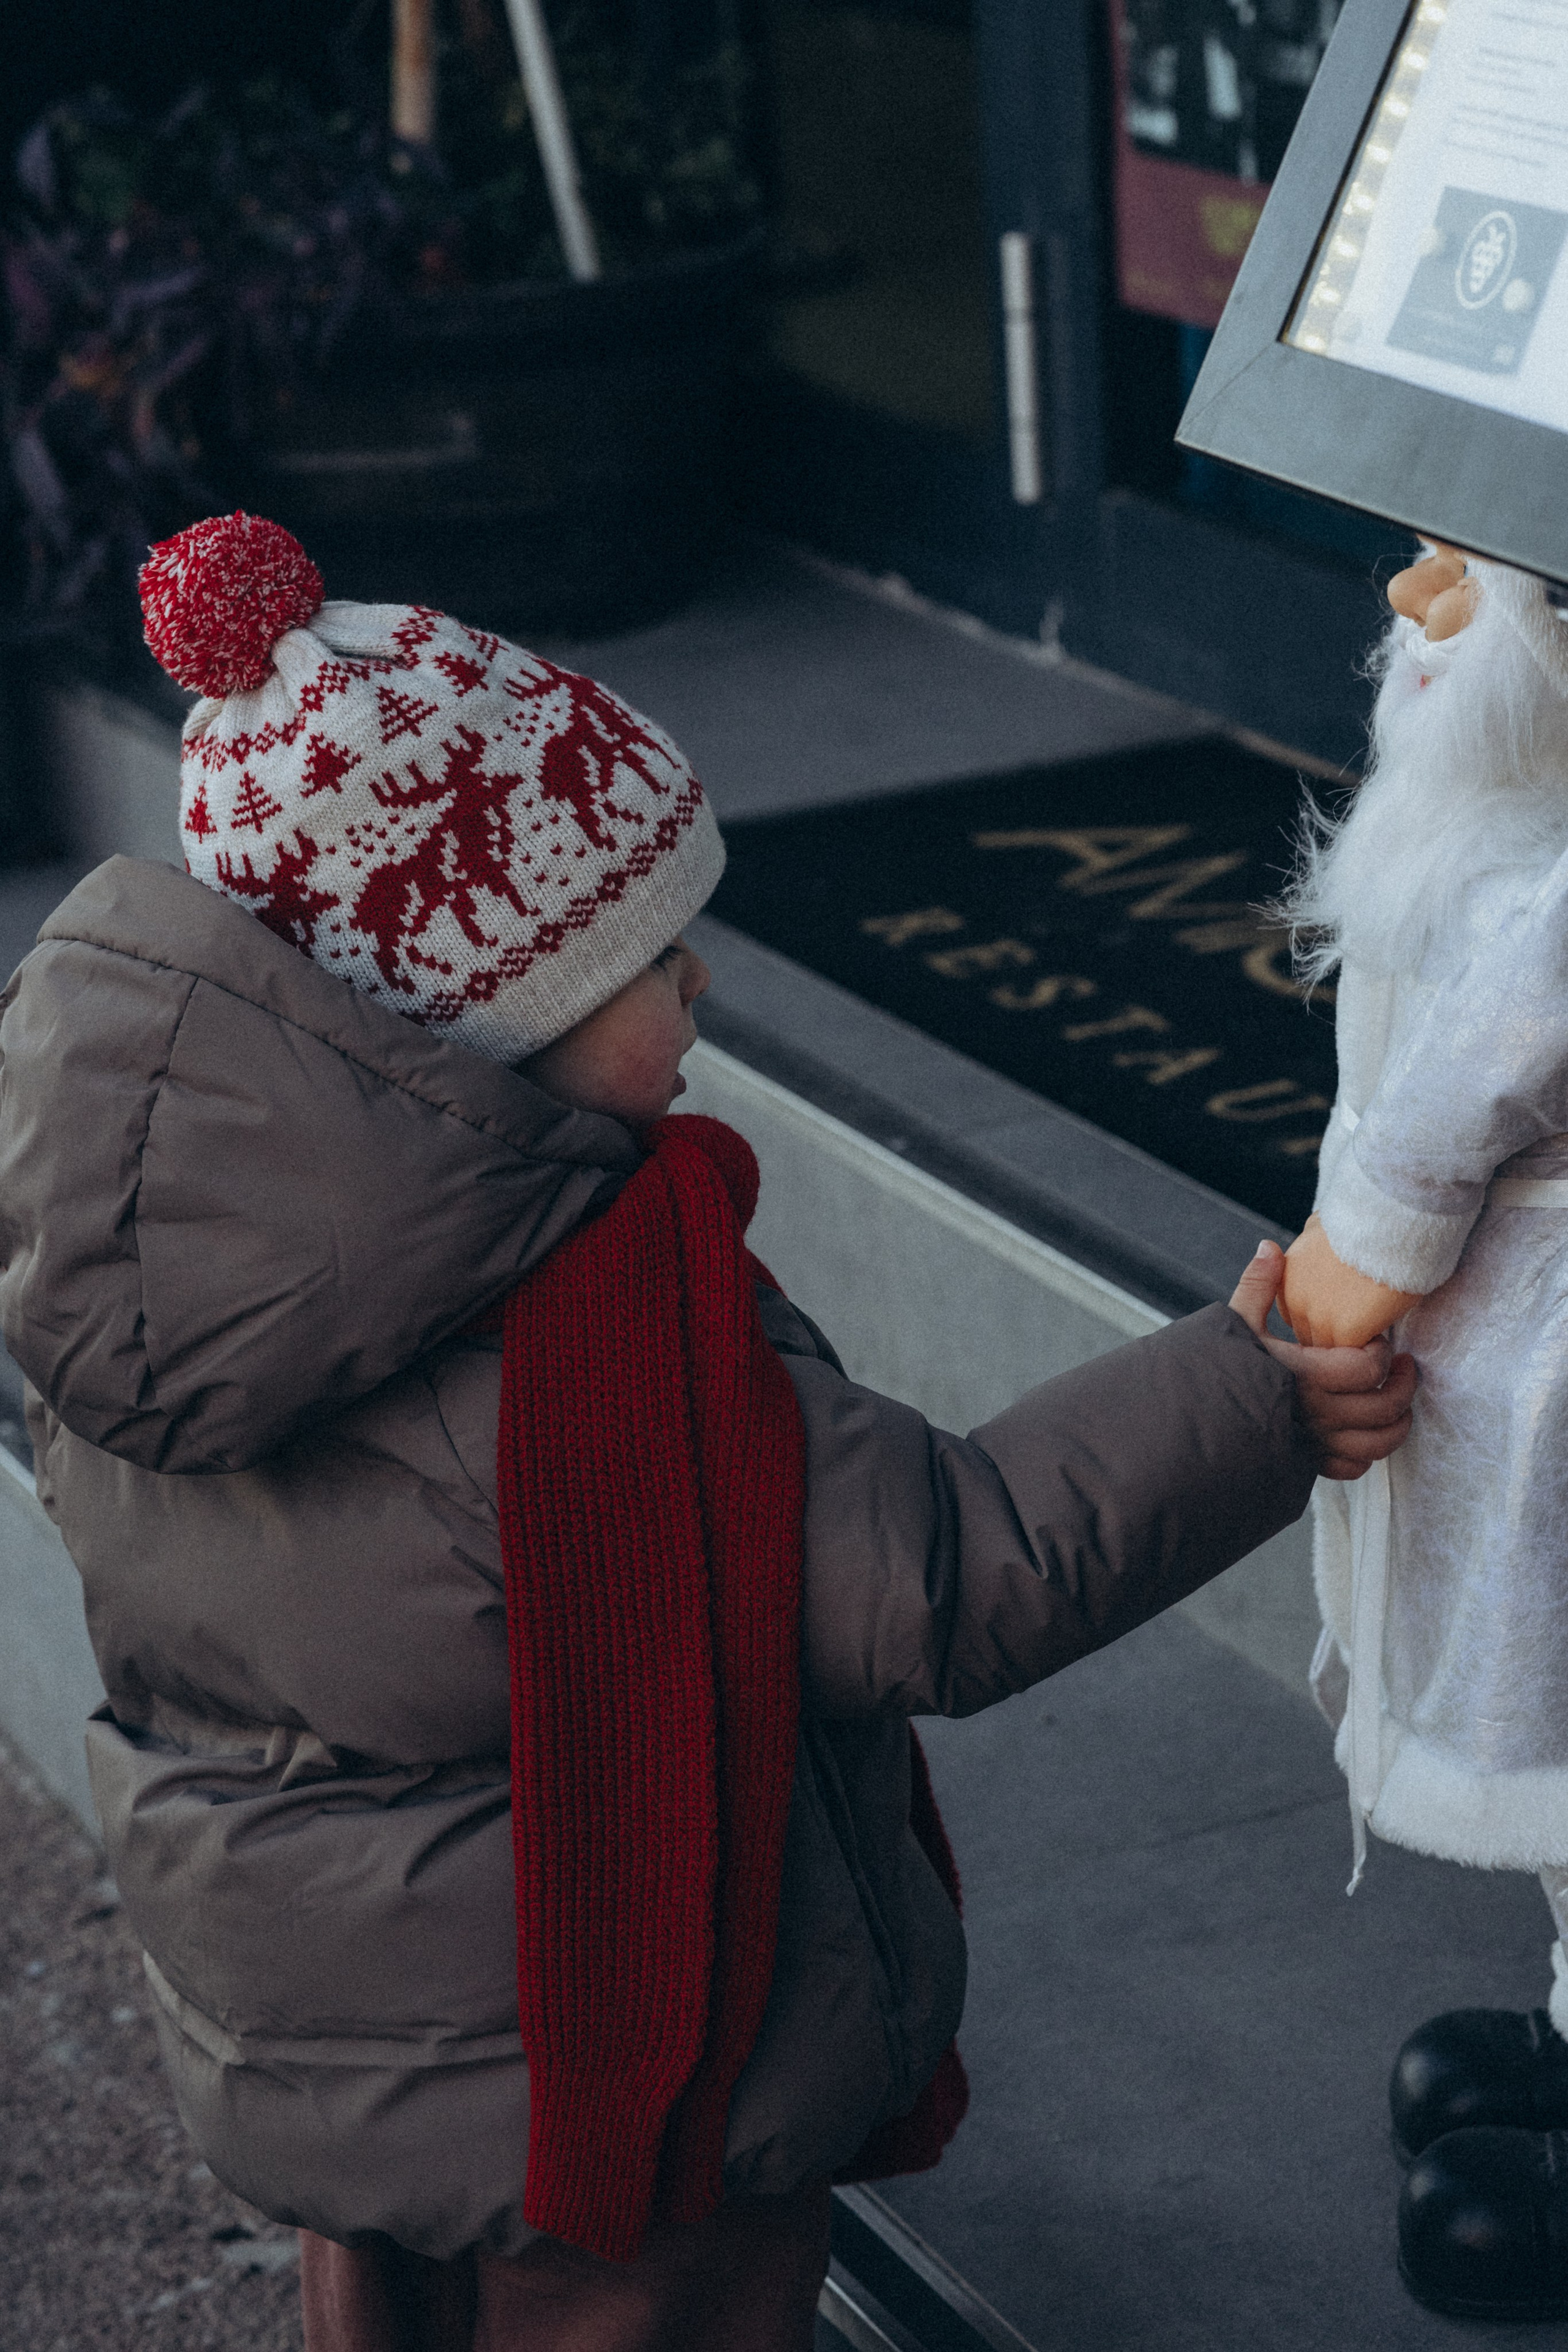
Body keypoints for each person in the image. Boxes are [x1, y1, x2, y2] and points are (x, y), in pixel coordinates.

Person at [0, 513, 1412, 2352]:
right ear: (475, 1025)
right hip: (600, 2108)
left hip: (342, 2060)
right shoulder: (587, 1335)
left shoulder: (165, 1265)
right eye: (652, 962)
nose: (704, 992)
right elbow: (943, 1573)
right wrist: (1249, 1398)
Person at [1282, 541, 1568, 2322]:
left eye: (1472, 574)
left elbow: (1444, 1127)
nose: (1408, 599)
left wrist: (1332, 1287)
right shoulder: (1511, 836)